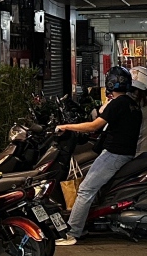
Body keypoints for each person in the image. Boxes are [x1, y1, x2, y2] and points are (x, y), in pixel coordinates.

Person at [54, 66, 142, 246]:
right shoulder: (132, 104)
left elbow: (94, 126)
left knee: (85, 190)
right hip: (125, 153)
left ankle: (72, 232)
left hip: (114, 154)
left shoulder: (118, 104)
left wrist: (66, 127)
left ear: (111, 83)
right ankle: (86, 222)